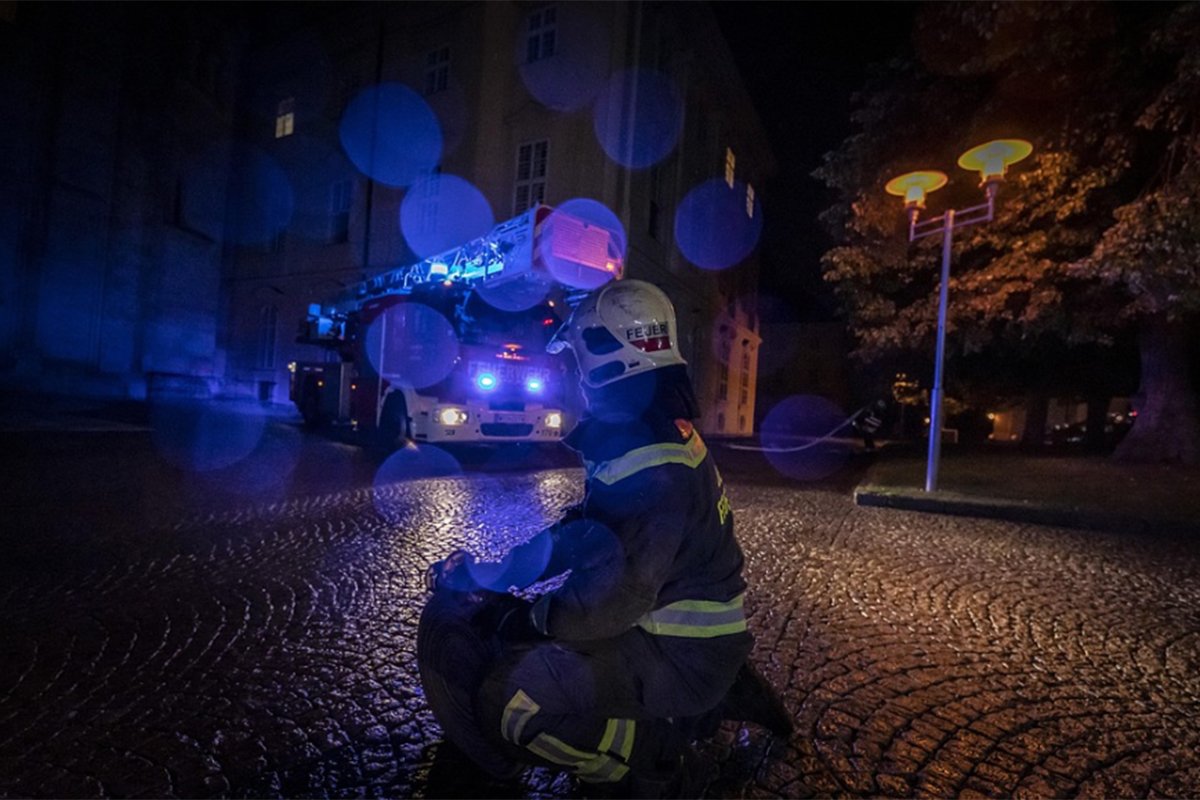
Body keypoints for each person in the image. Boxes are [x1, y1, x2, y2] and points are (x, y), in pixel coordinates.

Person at [427, 279, 788, 798]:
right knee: (533, 646)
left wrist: (522, 619)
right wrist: (499, 572)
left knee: (511, 704)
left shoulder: (652, 464)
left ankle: (655, 764)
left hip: (678, 654)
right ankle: (701, 706)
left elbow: (611, 604)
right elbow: (586, 532)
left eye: (577, 361)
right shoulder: (653, 431)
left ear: (606, 362)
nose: (575, 377)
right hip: (685, 642)